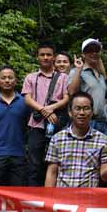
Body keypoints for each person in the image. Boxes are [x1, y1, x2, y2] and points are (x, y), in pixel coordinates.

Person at [22, 44, 69, 186]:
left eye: (49, 54)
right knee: (34, 164)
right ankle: (33, 195)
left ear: (53, 57)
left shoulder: (63, 77)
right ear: (37, 57)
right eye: (42, 54)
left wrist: (51, 108)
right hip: (36, 125)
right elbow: (27, 99)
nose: (45, 57)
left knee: (56, 162)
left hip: (57, 125)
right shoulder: (31, 77)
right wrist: (44, 110)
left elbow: (66, 98)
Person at [0, 65, 30, 186]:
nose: (7, 80)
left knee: (18, 191)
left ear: (15, 81)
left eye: (10, 77)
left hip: (18, 153)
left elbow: (29, 125)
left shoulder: (25, 102)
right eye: (3, 78)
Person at [67, 38, 107, 134]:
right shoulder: (77, 72)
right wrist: (78, 70)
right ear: (83, 54)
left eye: (96, 50)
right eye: (90, 50)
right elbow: (72, 92)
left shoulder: (100, 76)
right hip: (85, 121)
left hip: (102, 122)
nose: (94, 53)